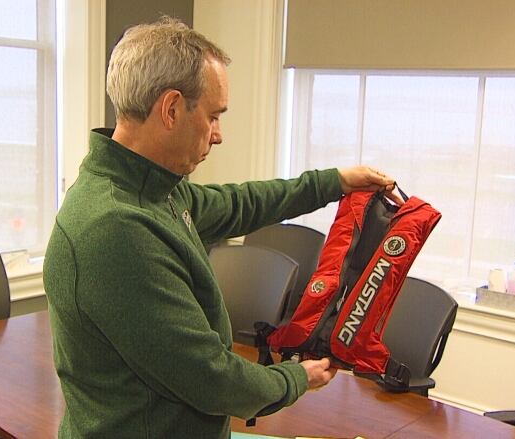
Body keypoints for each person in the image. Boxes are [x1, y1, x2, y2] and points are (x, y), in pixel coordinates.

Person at [43, 16, 401, 438]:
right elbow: (213, 380)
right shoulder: (117, 229)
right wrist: (296, 378)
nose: (218, 135)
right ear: (172, 109)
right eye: (213, 116)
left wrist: (332, 183)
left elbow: (238, 203)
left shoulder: (147, 189)